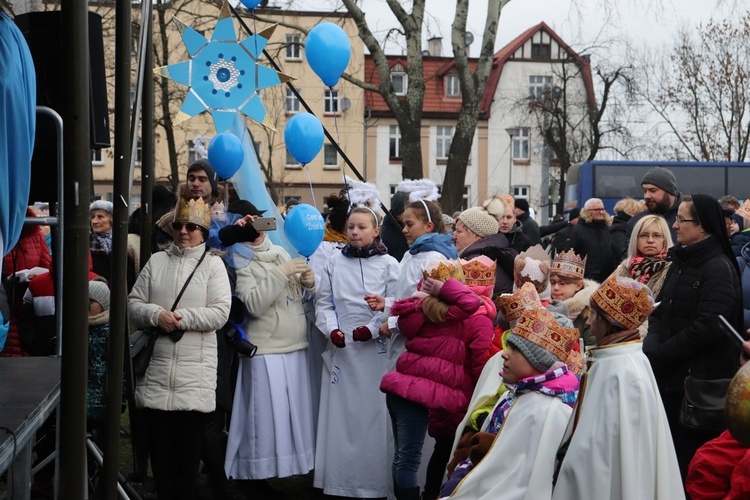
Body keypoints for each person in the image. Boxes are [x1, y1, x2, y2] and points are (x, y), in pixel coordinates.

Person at [128, 198, 230, 500]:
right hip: (157, 375)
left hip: (193, 379)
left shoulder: (214, 265)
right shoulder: (156, 261)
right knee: (161, 464)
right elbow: (133, 304)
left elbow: (221, 312)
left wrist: (180, 319)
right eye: (178, 226)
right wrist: (156, 315)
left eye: (191, 227)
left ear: (202, 231)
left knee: (187, 466)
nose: (183, 231)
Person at [552, 276, 684, 500]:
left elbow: (599, 451)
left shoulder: (621, 370)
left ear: (610, 320)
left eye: (593, 314)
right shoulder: (622, 360)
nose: (587, 323)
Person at [644, 194, 742, 480]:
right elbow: (660, 312)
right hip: (673, 382)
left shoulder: (717, 267)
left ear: (702, 227)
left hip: (697, 390)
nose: (674, 226)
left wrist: (660, 356)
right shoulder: (683, 262)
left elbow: (711, 326)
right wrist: (652, 348)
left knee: (689, 468)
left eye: (681, 220)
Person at [379, 258, 494, 500]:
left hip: (399, 388)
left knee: (403, 458)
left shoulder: (421, 312)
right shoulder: (458, 315)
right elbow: (471, 304)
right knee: (414, 459)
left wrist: (430, 292)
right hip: (430, 395)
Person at [440, 307, 580, 499]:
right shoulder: (515, 395)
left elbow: (526, 482)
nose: (505, 353)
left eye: (515, 349)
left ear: (537, 361)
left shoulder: (551, 411)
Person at [225, 206, 317, 483]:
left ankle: (290, 471)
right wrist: (280, 273)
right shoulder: (239, 259)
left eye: (259, 220)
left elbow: (296, 298)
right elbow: (252, 304)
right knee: (262, 419)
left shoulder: (279, 251)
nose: (255, 227)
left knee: (291, 418)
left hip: (294, 344)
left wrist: (310, 286)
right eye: (248, 222)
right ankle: (256, 475)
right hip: (265, 349)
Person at [314, 205, 400, 498]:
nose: (354, 232)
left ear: (376, 231)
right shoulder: (334, 263)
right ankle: (340, 482)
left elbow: (397, 305)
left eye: (362, 227)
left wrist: (374, 328)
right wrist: (332, 329)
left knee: (373, 418)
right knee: (342, 418)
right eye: (351, 226)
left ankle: (375, 483)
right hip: (343, 352)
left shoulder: (390, 264)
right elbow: (324, 304)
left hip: (374, 354)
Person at [1, 207, 52, 357]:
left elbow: (46, 266)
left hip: (29, 305)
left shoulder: (35, 234)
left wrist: (35, 278)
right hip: (5, 303)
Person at [614, 214, 673, 335]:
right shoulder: (623, 269)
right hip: (624, 338)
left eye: (656, 235)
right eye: (644, 235)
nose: (650, 240)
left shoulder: (674, 269)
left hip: (658, 336)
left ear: (665, 239)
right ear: (636, 239)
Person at [453, 206, 516, 296]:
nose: (454, 236)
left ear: (477, 235)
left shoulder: (476, 263)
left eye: (459, 231)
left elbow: (468, 302)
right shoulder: (489, 253)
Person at [623, 166, 683, 257]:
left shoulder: (691, 217)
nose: (647, 196)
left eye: (652, 190)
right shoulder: (636, 222)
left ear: (669, 191)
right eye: (645, 191)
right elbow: (628, 257)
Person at [562, 198, 617, 283]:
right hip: (587, 278)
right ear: (587, 211)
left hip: (608, 278)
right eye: (597, 209)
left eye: (602, 209)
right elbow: (569, 254)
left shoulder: (608, 228)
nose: (601, 212)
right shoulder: (578, 230)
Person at [549, 250, 598, 346]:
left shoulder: (589, 312)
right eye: (552, 282)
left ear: (578, 286)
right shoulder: (545, 306)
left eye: (563, 283)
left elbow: (592, 345)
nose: (556, 288)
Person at [90, 199, 114, 283]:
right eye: (92, 217)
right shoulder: (87, 242)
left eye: (100, 217)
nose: (94, 221)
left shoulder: (124, 241)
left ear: (111, 219)